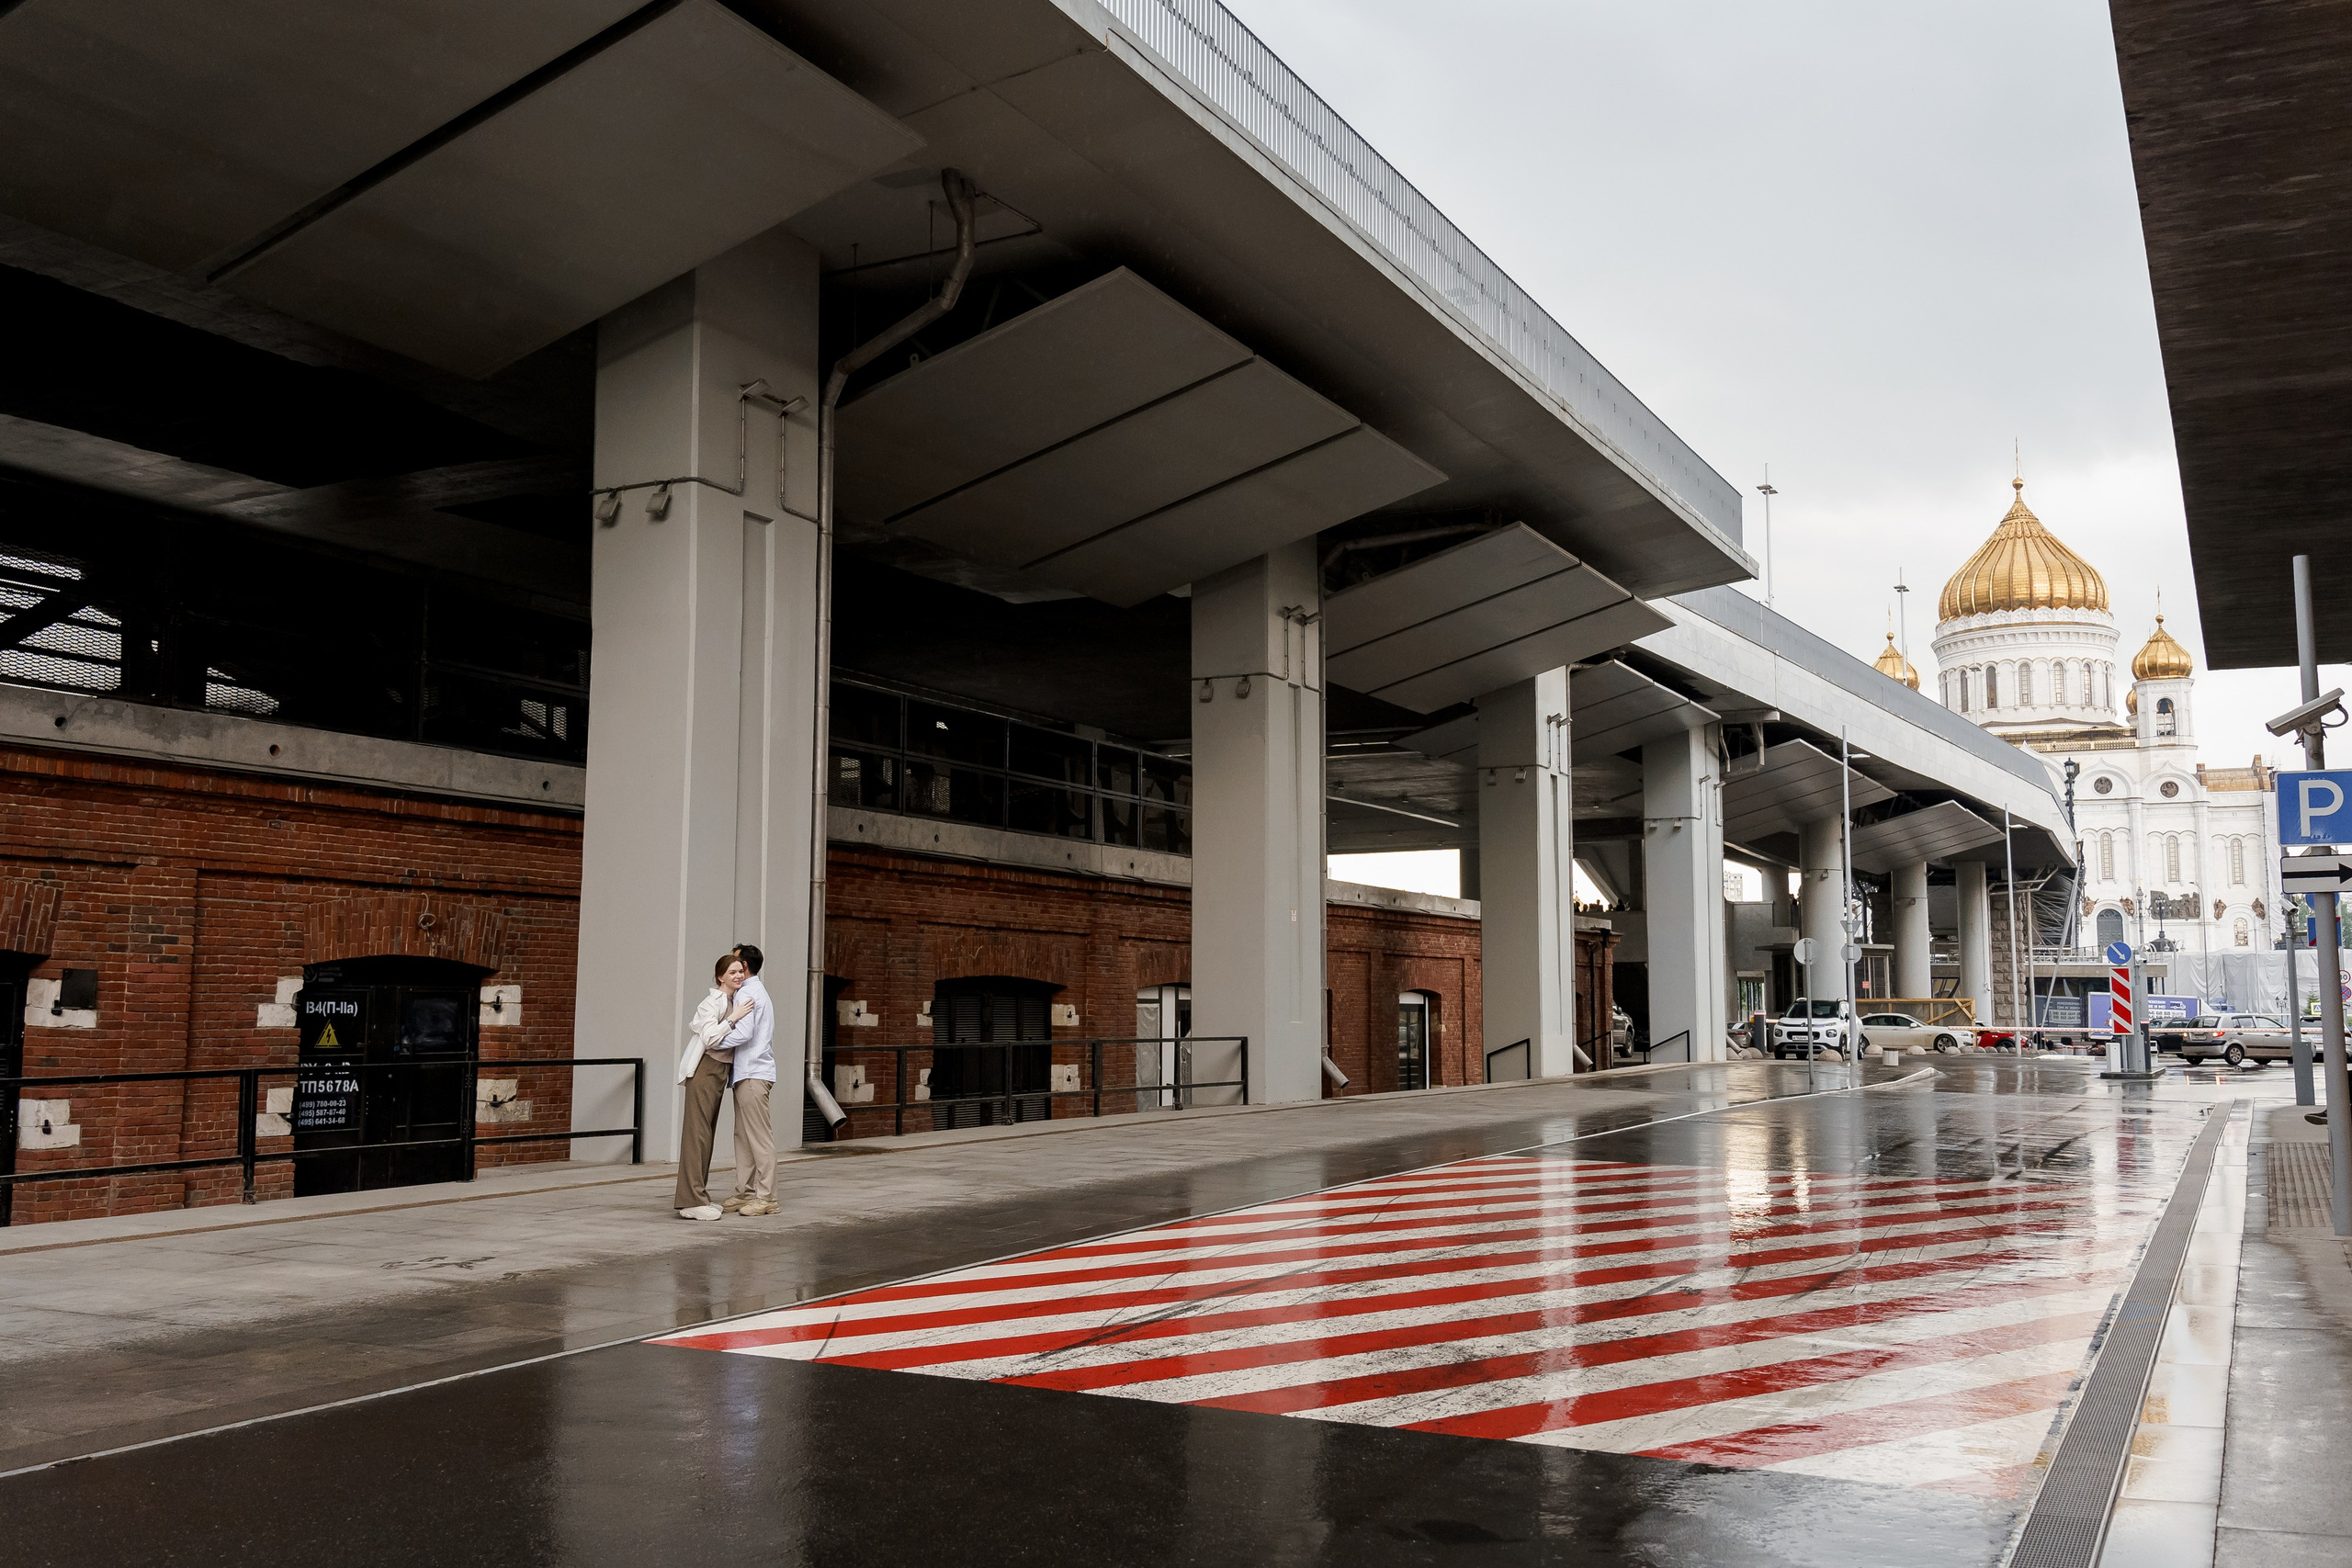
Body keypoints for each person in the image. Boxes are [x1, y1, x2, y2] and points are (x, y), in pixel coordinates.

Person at [674, 953, 752, 1221]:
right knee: (696, 1135)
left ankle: (699, 1196)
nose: (738, 976)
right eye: (732, 973)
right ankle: (690, 1200)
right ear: (720, 977)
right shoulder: (712, 1002)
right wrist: (734, 1018)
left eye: (740, 971)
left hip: (720, 1071)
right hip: (706, 1070)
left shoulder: (735, 999)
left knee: (706, 1134)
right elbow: (709, 1037)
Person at [714, 942, 778, 1216]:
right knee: (743, 1136)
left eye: (736, 964)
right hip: (749, 1073)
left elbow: (743, 1034)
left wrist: (713, 1038)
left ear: (745, 967)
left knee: (759, 1138)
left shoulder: (747, 994)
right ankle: (744, 1193)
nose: (734, 968)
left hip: (753, 1073)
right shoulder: (755, 990)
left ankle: (767, 1198)